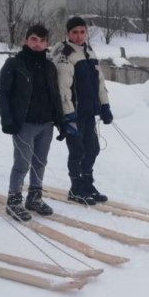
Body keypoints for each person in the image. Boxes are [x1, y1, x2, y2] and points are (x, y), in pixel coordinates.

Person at [0, 24, 66, 221]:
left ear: (47, 44)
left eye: (42, 40)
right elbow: (3, 93)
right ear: (26, 40)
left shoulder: (49, 67)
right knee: (22, 163)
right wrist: (7, 120)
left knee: (40, 162)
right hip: (24, 124)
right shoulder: (14, 64)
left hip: (46, 124)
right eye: (34, 39)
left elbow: (55, 96)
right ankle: (14, 201)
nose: (38, 44)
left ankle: (34, 198)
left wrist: (60, 122)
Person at [51, 16, 114, 205]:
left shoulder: (89, 51)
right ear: (68, 33)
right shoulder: (66, 54)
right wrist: (68, 116)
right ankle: (76, 188)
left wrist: (105, 106)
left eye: (82, 32)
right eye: (74, 32)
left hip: (88, 112)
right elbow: (63, 89)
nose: (79, 36)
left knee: (92, 149)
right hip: (74, 113)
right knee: (77, 151)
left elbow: (99, 81)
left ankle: (87, 184)